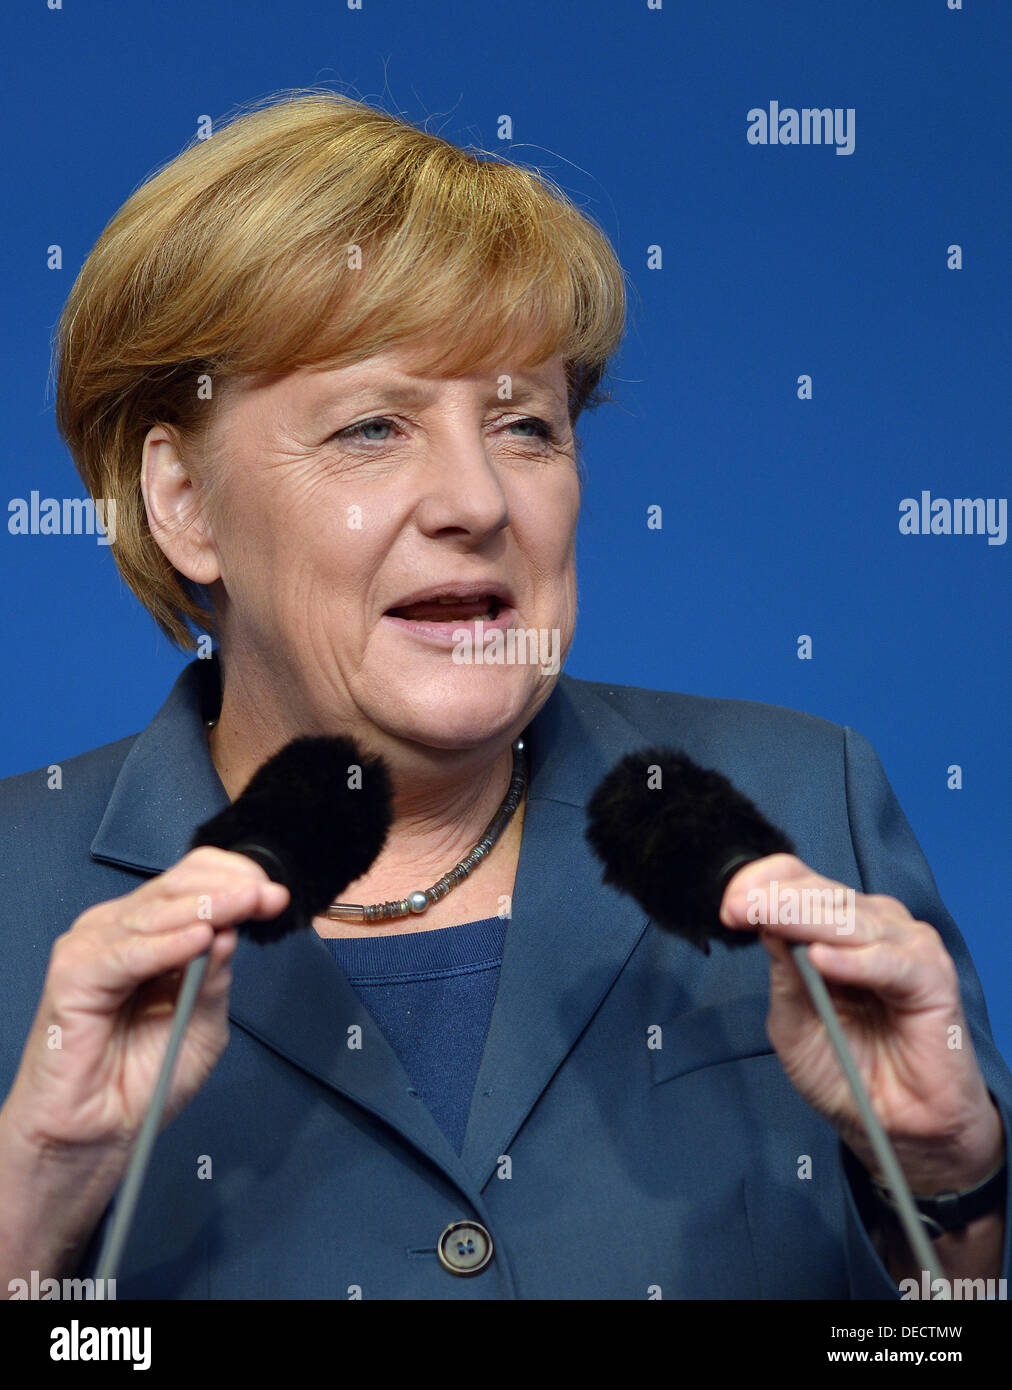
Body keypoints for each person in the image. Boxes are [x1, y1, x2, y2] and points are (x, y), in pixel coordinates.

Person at [0, 88, 1008, 1301]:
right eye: (373, 426)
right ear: (183, 504)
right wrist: (31, 1209)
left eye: (524, 426)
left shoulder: (803, 800)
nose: (477, 502)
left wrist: (951, 1191)